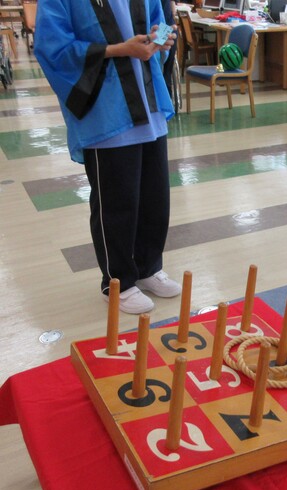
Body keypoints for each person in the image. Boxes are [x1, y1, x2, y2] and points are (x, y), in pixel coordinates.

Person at [34, 0, 182, 314]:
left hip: (150, 104)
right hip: (107, 113)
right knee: (116, 204)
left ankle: (148, 267)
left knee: (154, 199)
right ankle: (118, 282)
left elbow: (164, 24)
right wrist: (119, 50)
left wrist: (164, 38)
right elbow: (52, 48)